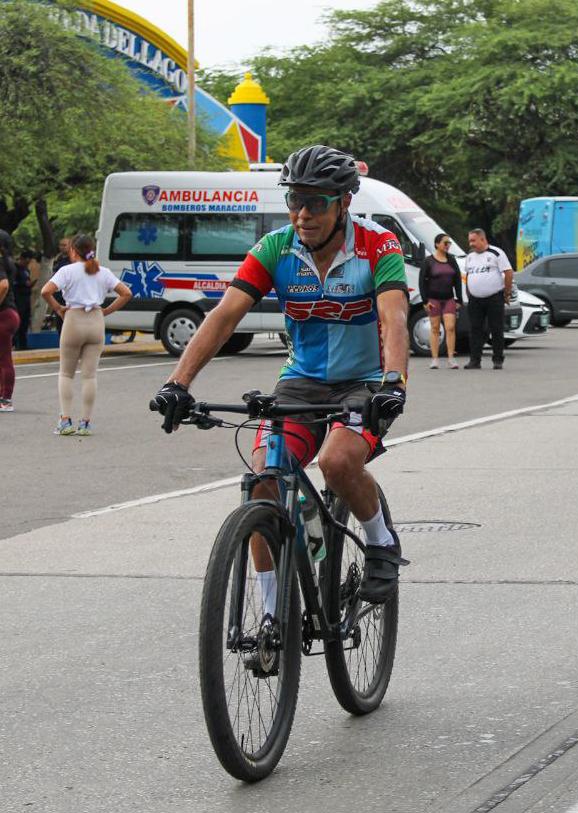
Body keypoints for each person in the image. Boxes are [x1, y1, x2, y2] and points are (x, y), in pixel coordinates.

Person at [151, 144, 411, 605]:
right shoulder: (275, 248)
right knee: (263, 483)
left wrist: (394, 383)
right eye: (294, 200)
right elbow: (224, 316)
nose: (302, 214)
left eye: (316, 202)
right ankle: (272, 615)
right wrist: (178, 383)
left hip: (366, 382)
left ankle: (380, 540)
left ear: (343, 203)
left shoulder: (378, 245)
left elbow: (393, 318)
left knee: (336, 462)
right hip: (302, 379)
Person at [41, 234, 132, 436]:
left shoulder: (67, 271)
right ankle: (86, 422)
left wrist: (58, 308)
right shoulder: (103, 272)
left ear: (73, 250)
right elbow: (126, 293)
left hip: (73, 319)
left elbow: (46, 291)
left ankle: (65, 420)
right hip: (96, 321)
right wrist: (106, 311)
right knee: (89, 375)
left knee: (66, 373)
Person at [464, 228, 512, 370]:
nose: (471, 244)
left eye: (473, 240)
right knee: (475, 329)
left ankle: (497, 359)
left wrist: (507, 292)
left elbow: (508, 272)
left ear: (482, 239)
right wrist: (469, 292)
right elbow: (468, 276)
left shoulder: (496, 253)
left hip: (494, 297)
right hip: (475, 299)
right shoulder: (470, 257)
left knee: (496, 328)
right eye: (469, 241)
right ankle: (475, 360)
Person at [418, 233, 463, 369]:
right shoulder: (428, 261)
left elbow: (457, 280)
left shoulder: (451, 260)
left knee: (450, 327)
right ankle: (435, 359)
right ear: (437, 244)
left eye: (449, 243)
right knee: (435, 328)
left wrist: (459, 299)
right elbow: (422, 282)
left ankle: (451, 358)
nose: (448, 245)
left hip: (448, 298)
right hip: (433, 299)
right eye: (445, 243)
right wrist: (425, 301)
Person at [0, 231, 19, 412]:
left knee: (4, 358)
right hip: (10, 314)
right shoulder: (8, 262)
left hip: (3, 315)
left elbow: (3, 285)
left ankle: (5, 400)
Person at [13, 252, 33, 349]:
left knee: (25, 322)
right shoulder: (15, 269)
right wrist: (23, 283)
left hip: (26, 298)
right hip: (18, 299)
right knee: (18, 322)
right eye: (25, 261)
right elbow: (13, 283)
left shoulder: (26, 270)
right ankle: (16, 344)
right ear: (21, 259)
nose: (26, 263)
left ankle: (23, 344)